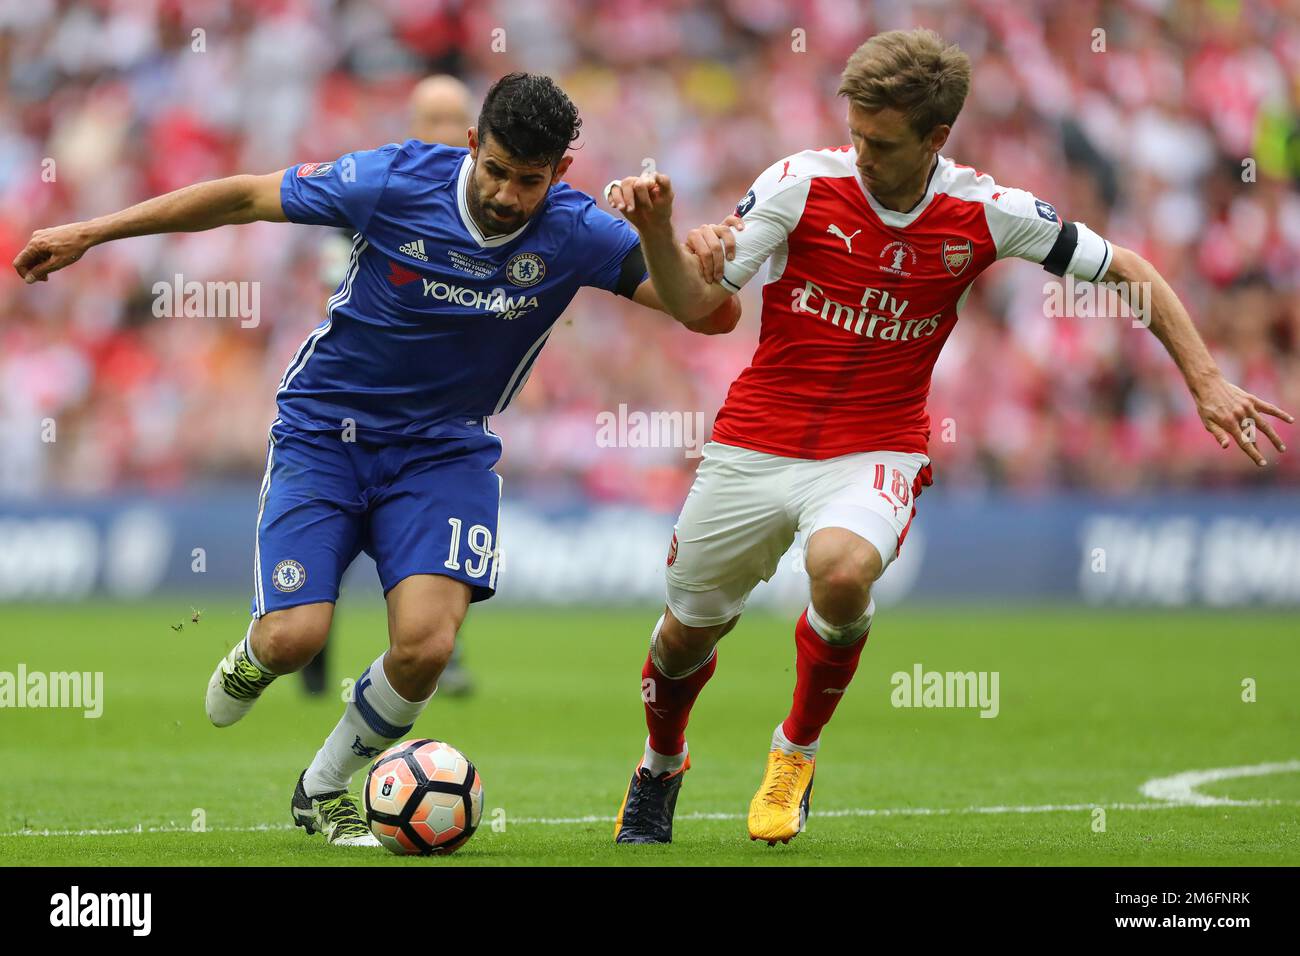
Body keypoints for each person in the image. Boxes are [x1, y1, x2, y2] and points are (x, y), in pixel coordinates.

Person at [605, 28, 1293, 846]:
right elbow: (695, 304)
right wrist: (660, 232)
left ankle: (795, 752)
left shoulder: (986, 210)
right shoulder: (796, 184)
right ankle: (659, 766)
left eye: (881, 141)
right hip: (756, 438)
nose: (860, 152)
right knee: (685, 637)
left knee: (842, 571)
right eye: (855, 131)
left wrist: (1205, 380)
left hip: (876, 445)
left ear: (937, 139)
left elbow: (1128, 270)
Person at [14, 72, 739, 847]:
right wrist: (91, 230)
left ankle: (322, 789)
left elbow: (704, 313)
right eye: (494, 170)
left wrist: (661, 231)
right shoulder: (392, 179)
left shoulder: (579, 231)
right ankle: (258, 656)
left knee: (427, 644)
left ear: (559, 173)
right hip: (326, 430)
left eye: (529, 181)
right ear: (470, 144)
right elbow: (244, 197)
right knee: (295, 638)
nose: (505, 194)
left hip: (444, 449)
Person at [300, 74, 480, 698]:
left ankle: (438, 652)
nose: (443, 132)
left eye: (453, 119)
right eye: (431, 119)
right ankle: (313, 656)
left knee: (446, 530)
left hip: (446, 405)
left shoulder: (494, 206)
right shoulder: (376, 192)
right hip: (361, 401)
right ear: (412, 123)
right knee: (341, 538)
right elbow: (337, 283)